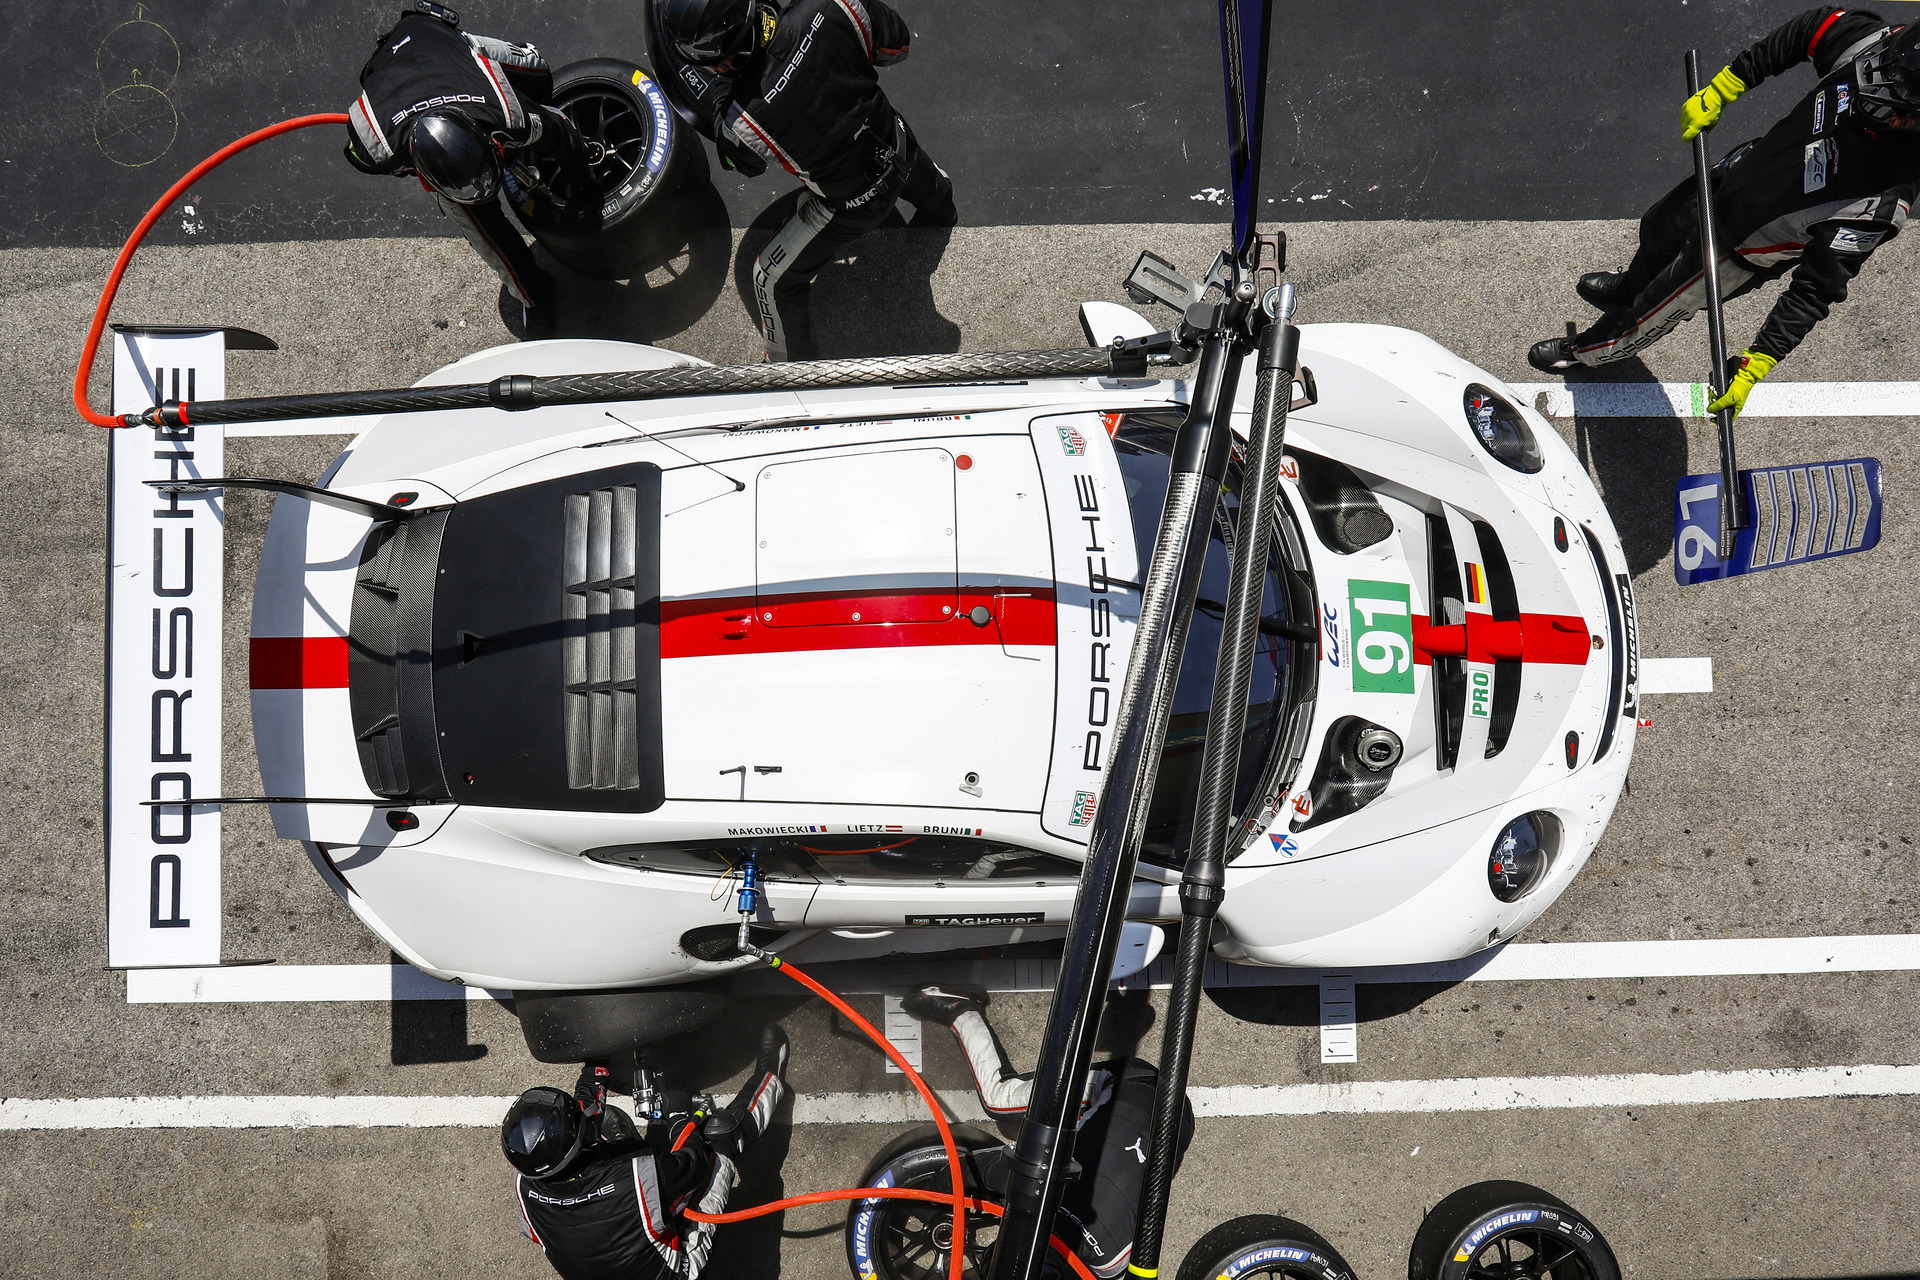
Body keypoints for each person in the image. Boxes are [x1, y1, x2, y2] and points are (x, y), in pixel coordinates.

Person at [1528, 8, 1920, 418]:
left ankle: (1586, 351)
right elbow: (1808, 30)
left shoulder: (1880, 202)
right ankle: (1627, 287)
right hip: (1735, 173)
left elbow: (1815, 290)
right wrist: (1725, 86)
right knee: (1656, 228)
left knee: (1647, 316)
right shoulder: (1877, 45)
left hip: (1735, 252)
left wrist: (1759, 360)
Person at [658, 0, 958, 361]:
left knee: (767, 278)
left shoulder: (741, 119)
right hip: (897, 143)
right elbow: (897, 45)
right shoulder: (832, 5)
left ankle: (788, 363)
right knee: (919, 173)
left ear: (722, 54)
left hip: (850, 206)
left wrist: (724, 94)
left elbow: (742, 164)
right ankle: (942, 209)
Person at [901, 984, 1190, 1280]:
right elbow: (974, 1168)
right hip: (1127, 1086)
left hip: (1179, 1123)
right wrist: (923, 1194)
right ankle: (962, 1008)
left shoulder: (1110, 1267)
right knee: (998, 1099)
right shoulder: (1037, 1189)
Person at [343, 1, 591, 338]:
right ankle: (532, 298)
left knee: (539, 71)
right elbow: (355, 155)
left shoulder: (506, 114)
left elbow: (561, 129)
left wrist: (584, 184)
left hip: (438, 40)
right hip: (384, 71)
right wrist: (409, 165)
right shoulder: (377, 145)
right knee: (484, 234)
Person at [503, 1025, 789, 1280]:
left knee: (616, 1133)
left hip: (623, 1241)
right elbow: (695, 1161)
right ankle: (771, 1070)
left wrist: (599, 1056)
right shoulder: (636, 1179)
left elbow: (587, 1109)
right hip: (680, 1270)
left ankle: (637, 1165)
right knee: (718, 1137)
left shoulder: (523, 1186)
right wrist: (679, 1117)